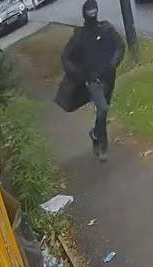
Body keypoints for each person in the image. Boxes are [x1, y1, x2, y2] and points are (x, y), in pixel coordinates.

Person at [55, 0, 124, 162]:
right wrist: (80, 75)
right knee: (103, 108)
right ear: (85, 13)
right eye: (89, 11)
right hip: (92, 81)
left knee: (103, 112)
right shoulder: (79, 35)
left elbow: (120, 46)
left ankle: (96, 135)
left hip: (108, 78)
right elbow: (66, 57)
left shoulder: (106, 29)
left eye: (94, 10)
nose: (92, 14)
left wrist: (112, 65)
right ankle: (101, 147)